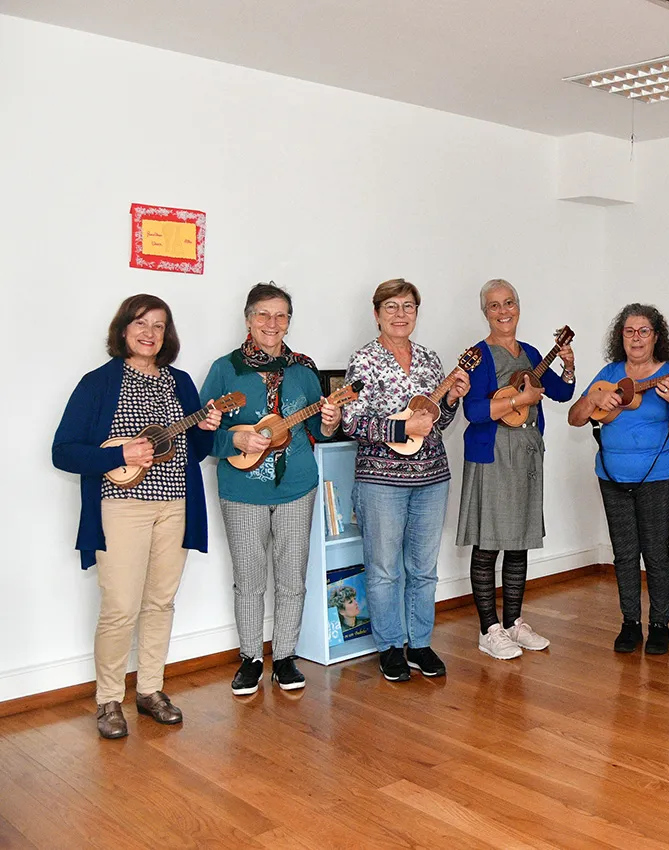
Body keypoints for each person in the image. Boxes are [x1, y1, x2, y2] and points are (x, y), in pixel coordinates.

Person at [52, 294, 221, 739]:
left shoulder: (181, 382)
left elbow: (194, 451)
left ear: (168, 334)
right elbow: (63, 451)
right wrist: (120, 453)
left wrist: (206, 429)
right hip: (121, 508)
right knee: (120, 607)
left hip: (176, 505)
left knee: (160, 602)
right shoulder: (98, 384)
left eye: (159, 325)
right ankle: (109, 699)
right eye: (141, 324)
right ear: (123, 330)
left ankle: (150, 690)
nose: (150, 333)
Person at [200, 282, 340, 696]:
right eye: (263, 314)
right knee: (249, 578)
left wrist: (329, 422)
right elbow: (204, 435)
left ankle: (284, 656)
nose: (272, 323)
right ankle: (249, 658)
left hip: (298, 485)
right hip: (241, 488)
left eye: (281, 315)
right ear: (248, 319)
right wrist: (235, 441)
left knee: (292, 577)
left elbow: (319, 430)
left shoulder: (304, 369)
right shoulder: (225, 369)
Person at [342, 278, 470, 682]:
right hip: (380, 481)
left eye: (408, 307)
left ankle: (419, 643)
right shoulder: (363, 361)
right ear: (377, 313)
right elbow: (349, 420)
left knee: (423, 569)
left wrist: (450, 400)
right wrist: (400, 429)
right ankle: (390, 646)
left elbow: (437, 422)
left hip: (432, 477)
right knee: (383, 570)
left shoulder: (432, 360)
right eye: (392, 307)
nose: (401, 314)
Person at [458, 279, 575, 660]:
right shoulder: (478, 356)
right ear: (485, 311)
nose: (503, 311)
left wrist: (569, 367)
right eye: (494, 305)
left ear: (519, 307)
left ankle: (514, 623)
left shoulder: (531, 353)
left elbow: (561, 392)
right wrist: (518, 401)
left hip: (526, 454)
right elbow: (474, 412)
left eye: (509, 303)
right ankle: (488, 629)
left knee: (519, 538)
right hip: (492, 453)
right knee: (489, 541)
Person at [568, 304, 669, 654]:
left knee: (655, 554)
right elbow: (576, 419)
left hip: (657, 477)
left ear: (656, 336)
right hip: (611, 476)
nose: (636, 338)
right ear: (620, 337)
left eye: (644, 331)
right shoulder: (609, 372)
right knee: (623, 555)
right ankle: (630, 624)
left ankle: (660, 625)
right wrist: (593, 397)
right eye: (629, 331)